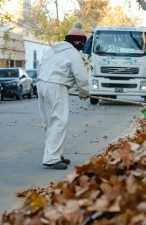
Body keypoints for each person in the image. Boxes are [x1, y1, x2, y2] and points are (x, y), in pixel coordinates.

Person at [37, 21, 90, 170]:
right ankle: (51, 158)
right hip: (55, 86)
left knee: (49, 121)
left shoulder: (52, 49)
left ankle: (57, 154)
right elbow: (81, 76)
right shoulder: (72, 52)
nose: (81, 46)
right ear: (77, 41)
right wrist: (84, 92)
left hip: (41, 83)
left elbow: (42, 67)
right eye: (81, 43)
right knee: (59, 121)